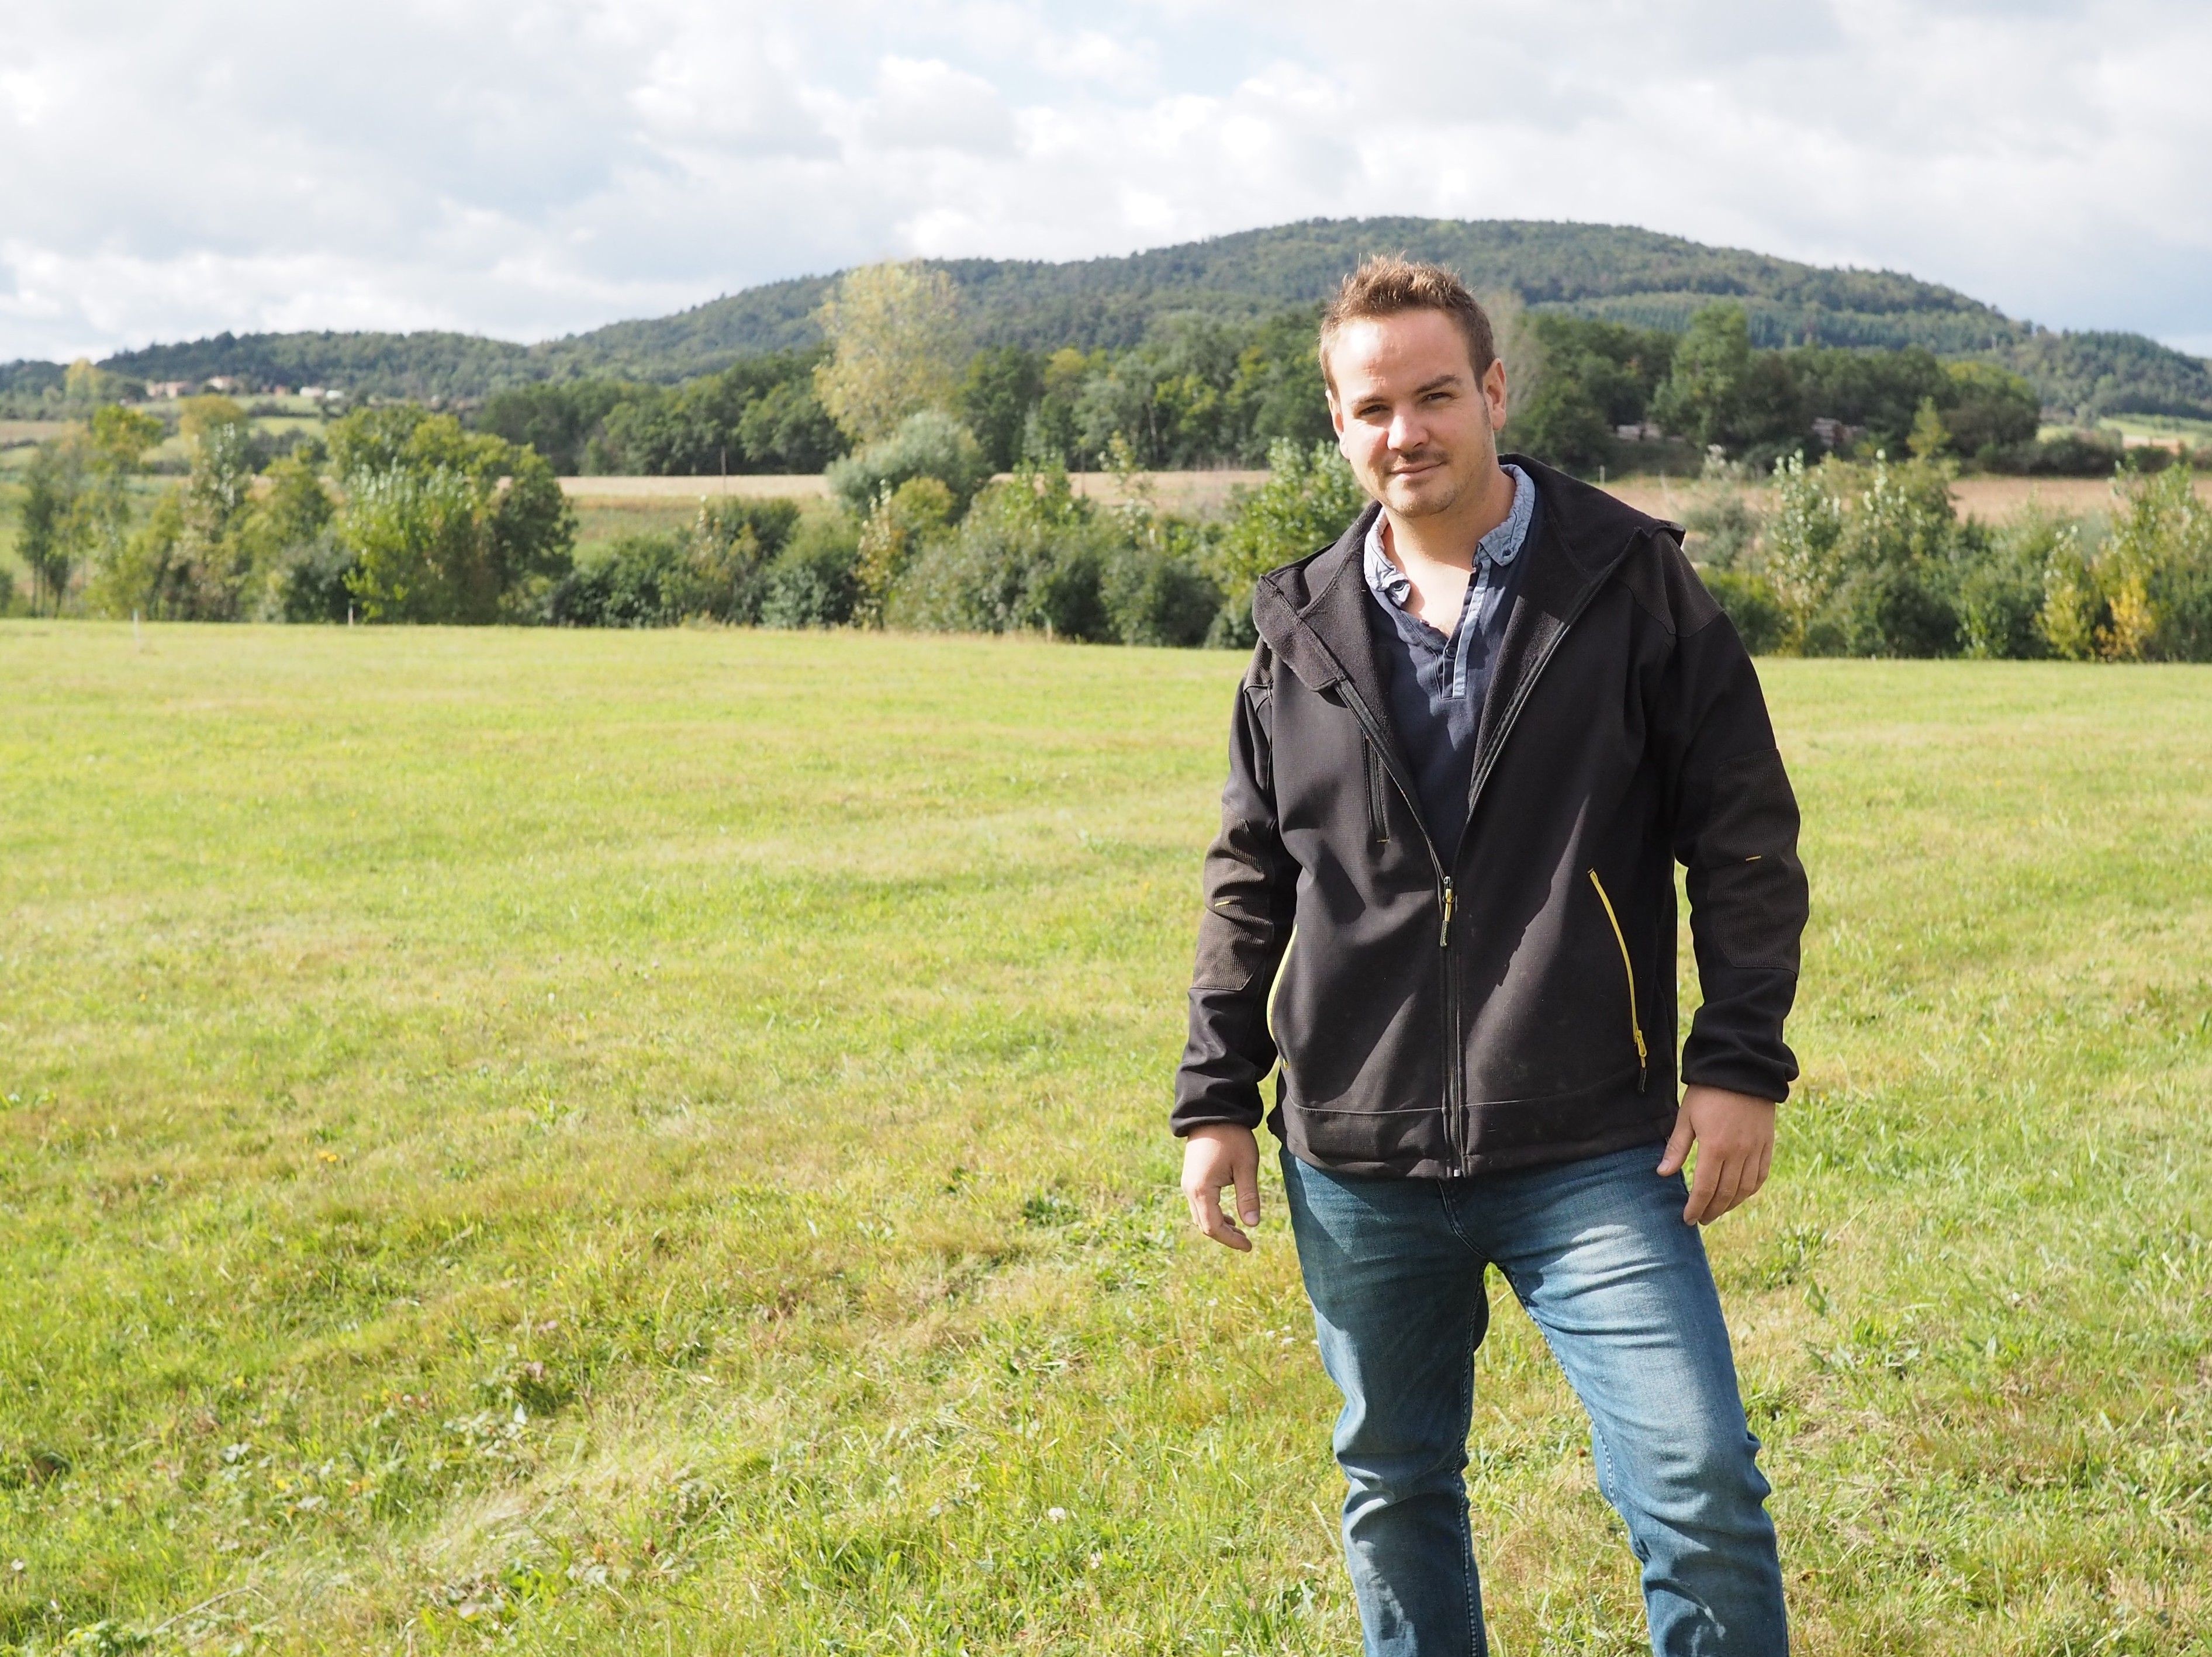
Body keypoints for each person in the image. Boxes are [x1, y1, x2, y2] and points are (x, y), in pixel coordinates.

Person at [1173, 257, 1807, 1657]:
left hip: (1591, 1141)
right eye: (1372, 405)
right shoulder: (1297, 628)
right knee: (1393, 1485)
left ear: (1494, 393)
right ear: (1337, 423)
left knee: (1695, 1482)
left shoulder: (1630, 581)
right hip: (1355, 1155)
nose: (1406, 430)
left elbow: (1745, 840)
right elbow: (1250, 876)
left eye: (1434, 394)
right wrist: (1217, 1096)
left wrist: (1739, 1060)